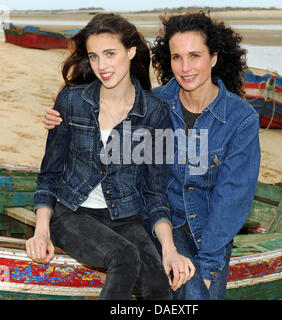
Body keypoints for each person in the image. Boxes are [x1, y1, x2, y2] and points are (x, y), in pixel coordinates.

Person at [43, 11, 261, 300]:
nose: (185, 67)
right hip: (158, 221)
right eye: (176, 57)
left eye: (194, 56)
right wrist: (59, 119)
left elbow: (231, 200)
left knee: (196, 292)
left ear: (214, 57)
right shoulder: (155, 105)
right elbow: (109, 148)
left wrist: (207, 268)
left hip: (209, 228)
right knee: (173, 286)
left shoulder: (240, 118)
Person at [26, 12, 195, 300]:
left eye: (110, 54)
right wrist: (42, 231)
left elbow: (155, 194)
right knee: (125, 256)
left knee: (159, 290)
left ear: (130, 52)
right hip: (71, 213)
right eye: (94, 56)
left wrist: (169, 250)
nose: (101, 66)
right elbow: (49, 176)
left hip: (126, 216)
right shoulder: (71, 102)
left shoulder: (155, 112)